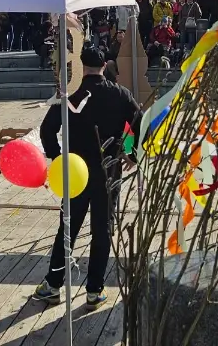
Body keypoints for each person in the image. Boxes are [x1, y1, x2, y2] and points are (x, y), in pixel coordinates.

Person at [34, 46, 141, 308]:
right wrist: (133, 154)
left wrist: (58, 157)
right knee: (102, 231)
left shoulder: (70, 94)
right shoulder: (120, 94)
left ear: (81, 67)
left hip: (75, 171)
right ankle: (94, 290)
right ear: (105, 65)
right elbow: (141, 122)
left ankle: (53, 284)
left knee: (67, 227)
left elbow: (47, 130)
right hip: (109, 169)